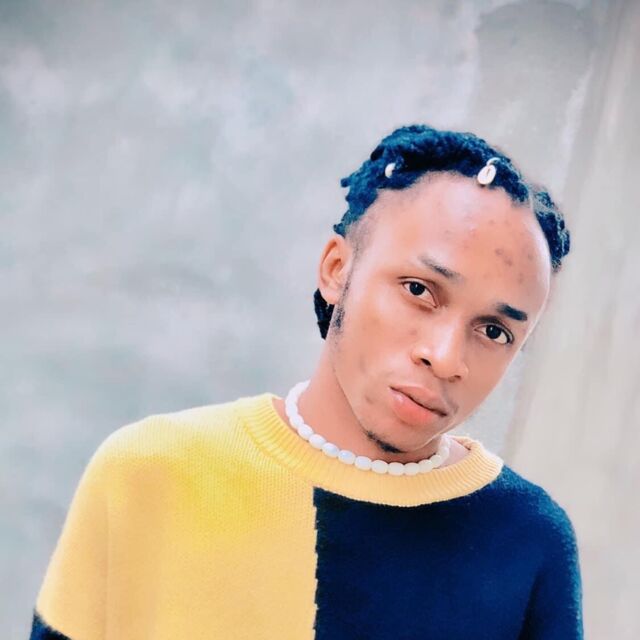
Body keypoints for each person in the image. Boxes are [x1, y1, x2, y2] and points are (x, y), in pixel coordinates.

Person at [30, 124, 583, 639]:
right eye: (419, 290)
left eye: (494, 331)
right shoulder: (149, 470)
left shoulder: (529, 542)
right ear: (337, 270)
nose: (444, 357)